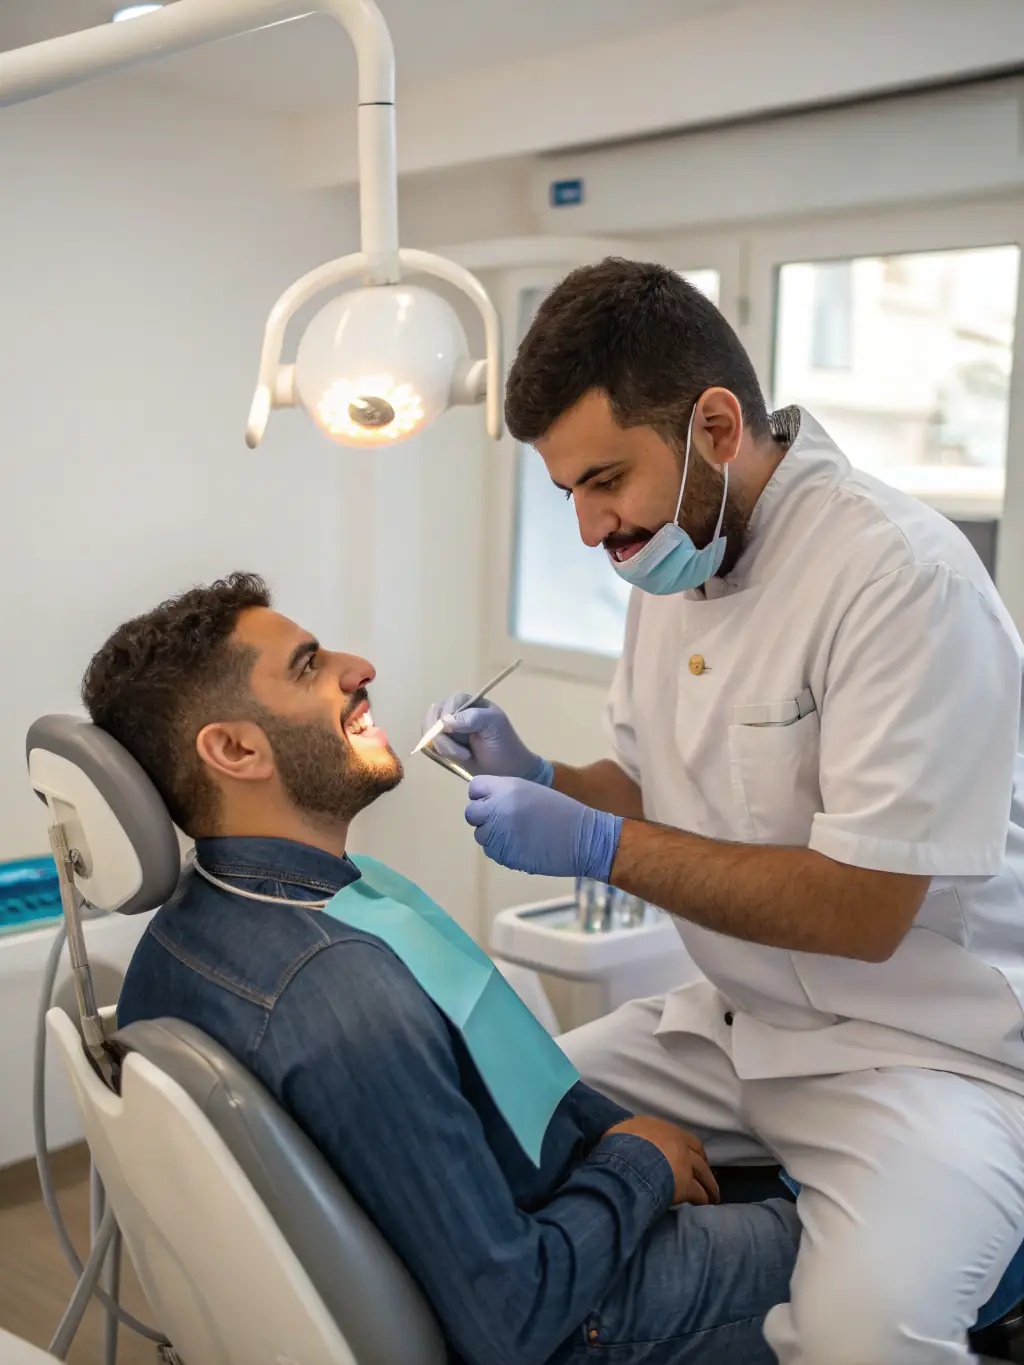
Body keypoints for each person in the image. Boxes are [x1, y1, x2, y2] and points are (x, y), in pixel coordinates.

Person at [424, 258, 1024, 1365]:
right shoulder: (672, 562)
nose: (591, 527)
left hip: (924, 1051)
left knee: (861, 1337)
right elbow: (657, 790)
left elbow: (862, 910)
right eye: (567, 493)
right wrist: (548, 778)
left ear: (713, 424)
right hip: (735, 1022)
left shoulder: (897, 580)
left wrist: (595, 845)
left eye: (606, 478)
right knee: (479, 1121)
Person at [83, 572, 800, 1365]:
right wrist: (638, 1165)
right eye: (309, 663)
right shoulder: (339, 992)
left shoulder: (178, 945)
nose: (360, 667)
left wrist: (611, 1135)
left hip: (536, 1227)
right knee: (925, 1248)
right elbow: (512, 1317)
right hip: (576, 1314)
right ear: (235, 748)